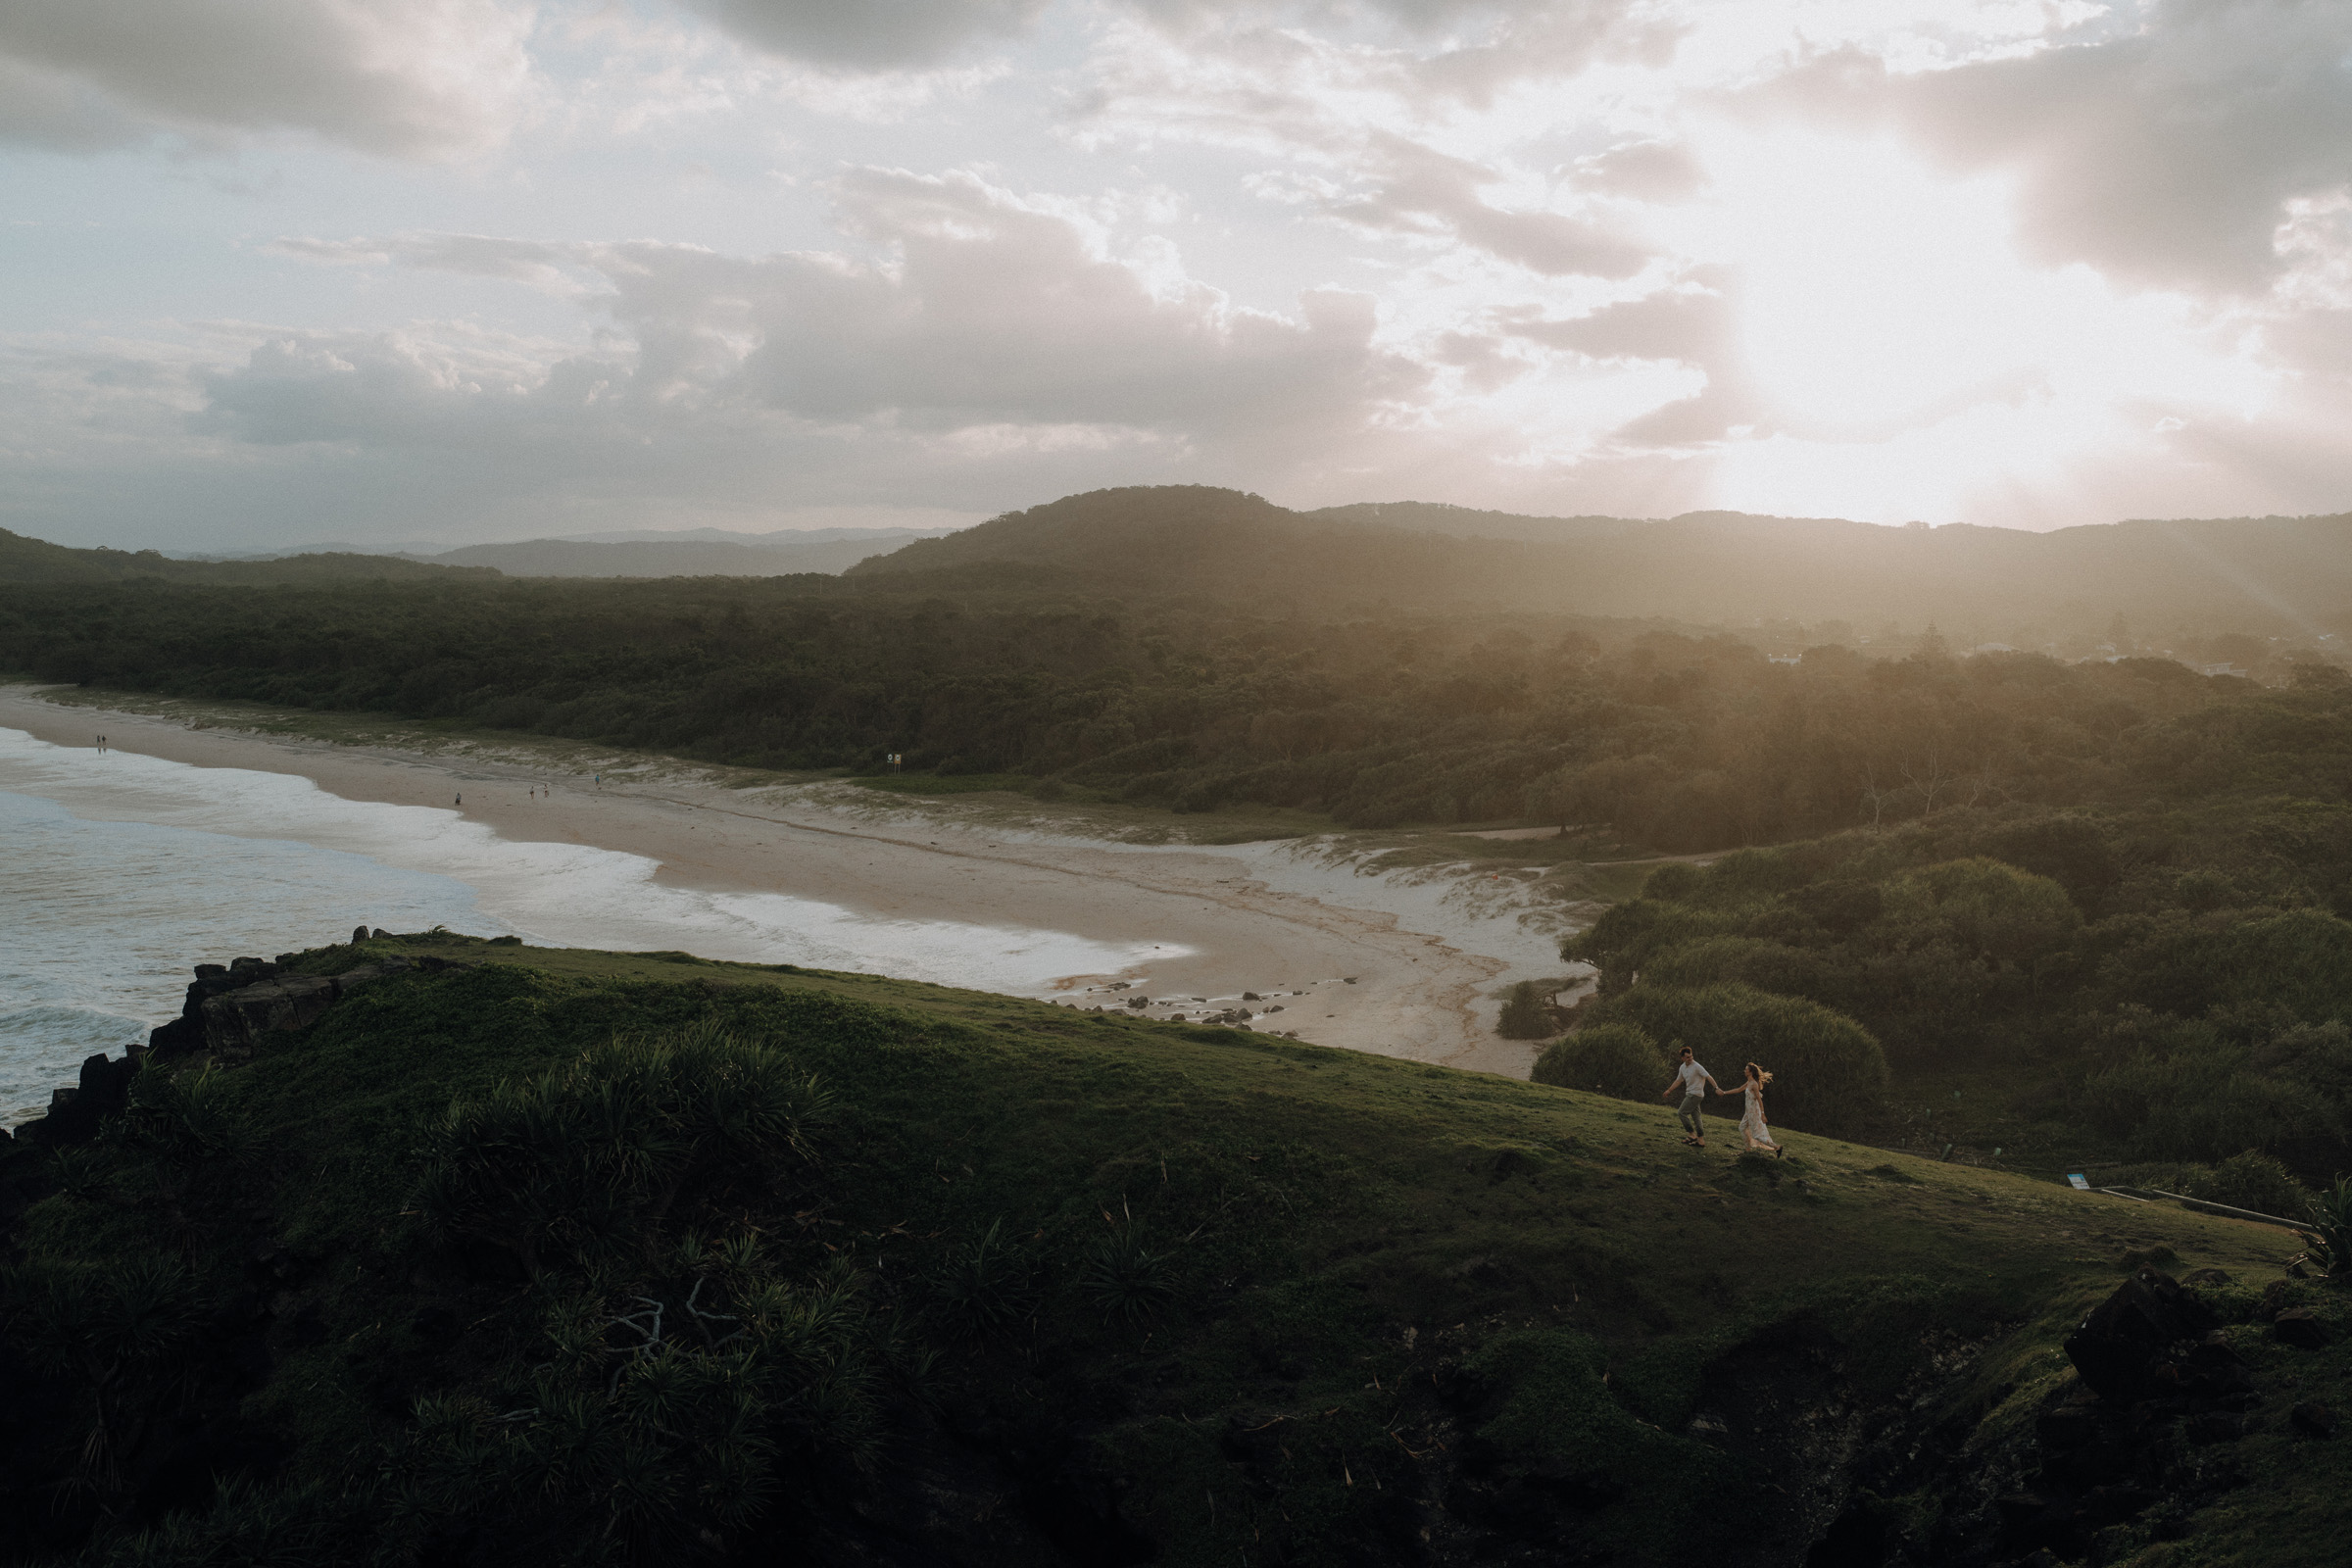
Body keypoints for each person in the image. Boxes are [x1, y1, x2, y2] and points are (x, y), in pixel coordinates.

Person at [1660, 1044, 1724, 1147]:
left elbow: (1708, 1076)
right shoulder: (1682, 1068)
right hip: (1692, 1094)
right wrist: (1669, 1090)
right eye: (1687, 1057)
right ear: (1682, 1058)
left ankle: (1691, 1134)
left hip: (1695, 1094)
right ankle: (1701, 1140)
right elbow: (1678, 1080)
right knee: (1696, 1117)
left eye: (1691, 1056)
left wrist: (1716, 1088)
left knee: (1681, 1113)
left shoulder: (1697, 1066)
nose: (1690, 1059)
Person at [1736, 1062, 1783, 1156]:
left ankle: (1777, 1147)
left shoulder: (1754, 1084)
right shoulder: (1748, 1082)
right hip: (1748, 1112)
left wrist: (1763, 1114)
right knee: (1741, 1128)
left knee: (1757, 1135)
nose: (1744, 1071)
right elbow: (1738, 1090)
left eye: (1746, 1069)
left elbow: (1759, 1100)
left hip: (1754, 1113)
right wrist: (1723, 1092)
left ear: (1751, 1072)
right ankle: (1747, 1150)